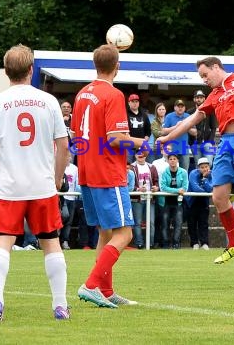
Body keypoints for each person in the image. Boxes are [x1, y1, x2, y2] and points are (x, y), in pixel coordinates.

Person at [0, 44, 70, 321]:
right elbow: (63, 146)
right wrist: (56, 178)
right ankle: (60, 305)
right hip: (41, 185)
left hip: (9, 186)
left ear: (7, 72)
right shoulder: (49, 101)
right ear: (31, 70)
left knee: (2, 243)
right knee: (51, 243)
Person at [158, 56, 234, 269]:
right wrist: (168, 137)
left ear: (216, 67)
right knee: (218, 197)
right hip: (226, 143)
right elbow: (191, 120)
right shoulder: (214, 95)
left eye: (205, 75)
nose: (204, 80)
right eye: (201, 77)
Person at [71, 43, 144, 308]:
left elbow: (77, 136)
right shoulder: (113, 95)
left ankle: (106, 290)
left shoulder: (81, 94)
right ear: (117, 66)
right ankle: (90, 285)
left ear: (95, 64)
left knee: (105, 233)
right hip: (108, 173)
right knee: (125, 234)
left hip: (87, 171)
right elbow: (115, 139)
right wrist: (142, 144)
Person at [158, 153, 188, 249]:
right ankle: (166, 243)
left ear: (177, 160)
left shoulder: (183, 172)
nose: (172, 160)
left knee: (178, 223)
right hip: (166, 202)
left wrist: (178, 190)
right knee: (165, 224)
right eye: (170, 159)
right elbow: (163, 187)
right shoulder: (164, 172)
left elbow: (185, 188)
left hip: (178, 203)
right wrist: (177, 191)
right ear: (167, 161)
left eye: (174, 159)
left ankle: (176, 243)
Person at [130, 151, 159, 249]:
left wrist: (156, 188)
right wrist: (137, 189)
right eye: (138, 153)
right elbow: (128, 183)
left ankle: (150, 243)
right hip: (136, 199)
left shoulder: (152, 167)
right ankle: (139, 243)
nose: (140, 155)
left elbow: (156, 181)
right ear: (135, 155)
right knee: (137, 222)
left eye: (142, 153)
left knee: (151, 222)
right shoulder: (131, 167)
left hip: (150, 198)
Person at [186, 157, 213, 250]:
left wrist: (205, 178)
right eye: (202, 167)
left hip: (203, 201)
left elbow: (210, 188)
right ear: (198, 167)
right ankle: (194, 243)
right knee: (192, 223)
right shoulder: (193, 173)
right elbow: (195, 188)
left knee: (204, 223)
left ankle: (204, 243)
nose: (205, 169)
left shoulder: (211, 174)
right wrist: (206, 191)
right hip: (192, 201)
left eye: (206, 167)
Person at [161, 100, 196, 171]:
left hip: (184, 149)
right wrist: (176, 126)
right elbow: (163, 131)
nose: (180, 108)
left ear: (184, 108)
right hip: (172, 149)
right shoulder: (169, 116)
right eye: (178, 106)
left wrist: (186, 126)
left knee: (184, 172)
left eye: (182, 106)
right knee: (172, 172)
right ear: (175, 108)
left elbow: (195, 132)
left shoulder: (188, 116)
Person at [187, 90, 217, 165]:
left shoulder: (209, 111)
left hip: (207, 143)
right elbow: (187, 127)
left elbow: (213, 127)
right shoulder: (189, 112)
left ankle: (208, 177)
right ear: (194, 99)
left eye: (201, 97)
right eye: (197, 97)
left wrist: (210, 141)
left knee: (209, 164)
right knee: (198, 166)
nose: (199, 99)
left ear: (204, 99)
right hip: (195, 143)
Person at [60, 153, 78, 250]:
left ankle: (65, 240)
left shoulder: (74, 168)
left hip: (72, 197)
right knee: (63, 217)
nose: (68, 158)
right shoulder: (59, 166)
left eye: (69, 156)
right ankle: (57, 239)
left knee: (69, 221)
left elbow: (77, 182)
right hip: (62, 196)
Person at [126, 93, 152, 163]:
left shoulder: (144, 115)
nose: (135, 103)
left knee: (140, 165)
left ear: (139, 103)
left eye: (136, 101)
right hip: (128, 145)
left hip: (141, 146)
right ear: (129, 103)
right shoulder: (125, 114)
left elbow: (148, 130)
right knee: (128, 165)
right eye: (133, 101)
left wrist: (146, 138)